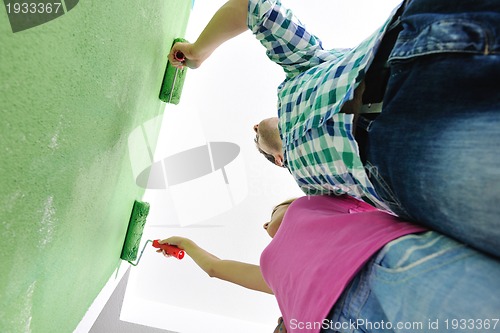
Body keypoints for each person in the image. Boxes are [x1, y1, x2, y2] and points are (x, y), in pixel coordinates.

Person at [168, 0, 500, 258]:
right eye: (257, 141)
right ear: (281, 160)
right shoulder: (314, 192)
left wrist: (199, 51)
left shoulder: (303, 66)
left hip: (415, 41)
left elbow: (257, 7)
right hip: (412, 165)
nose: (254, 127)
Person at [158, 195, 500, 333]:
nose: (265, 225)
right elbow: (217, 268)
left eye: (271, 213)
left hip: (378, 266)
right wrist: (188, 244)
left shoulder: (314, 203)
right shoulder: (271, 273)